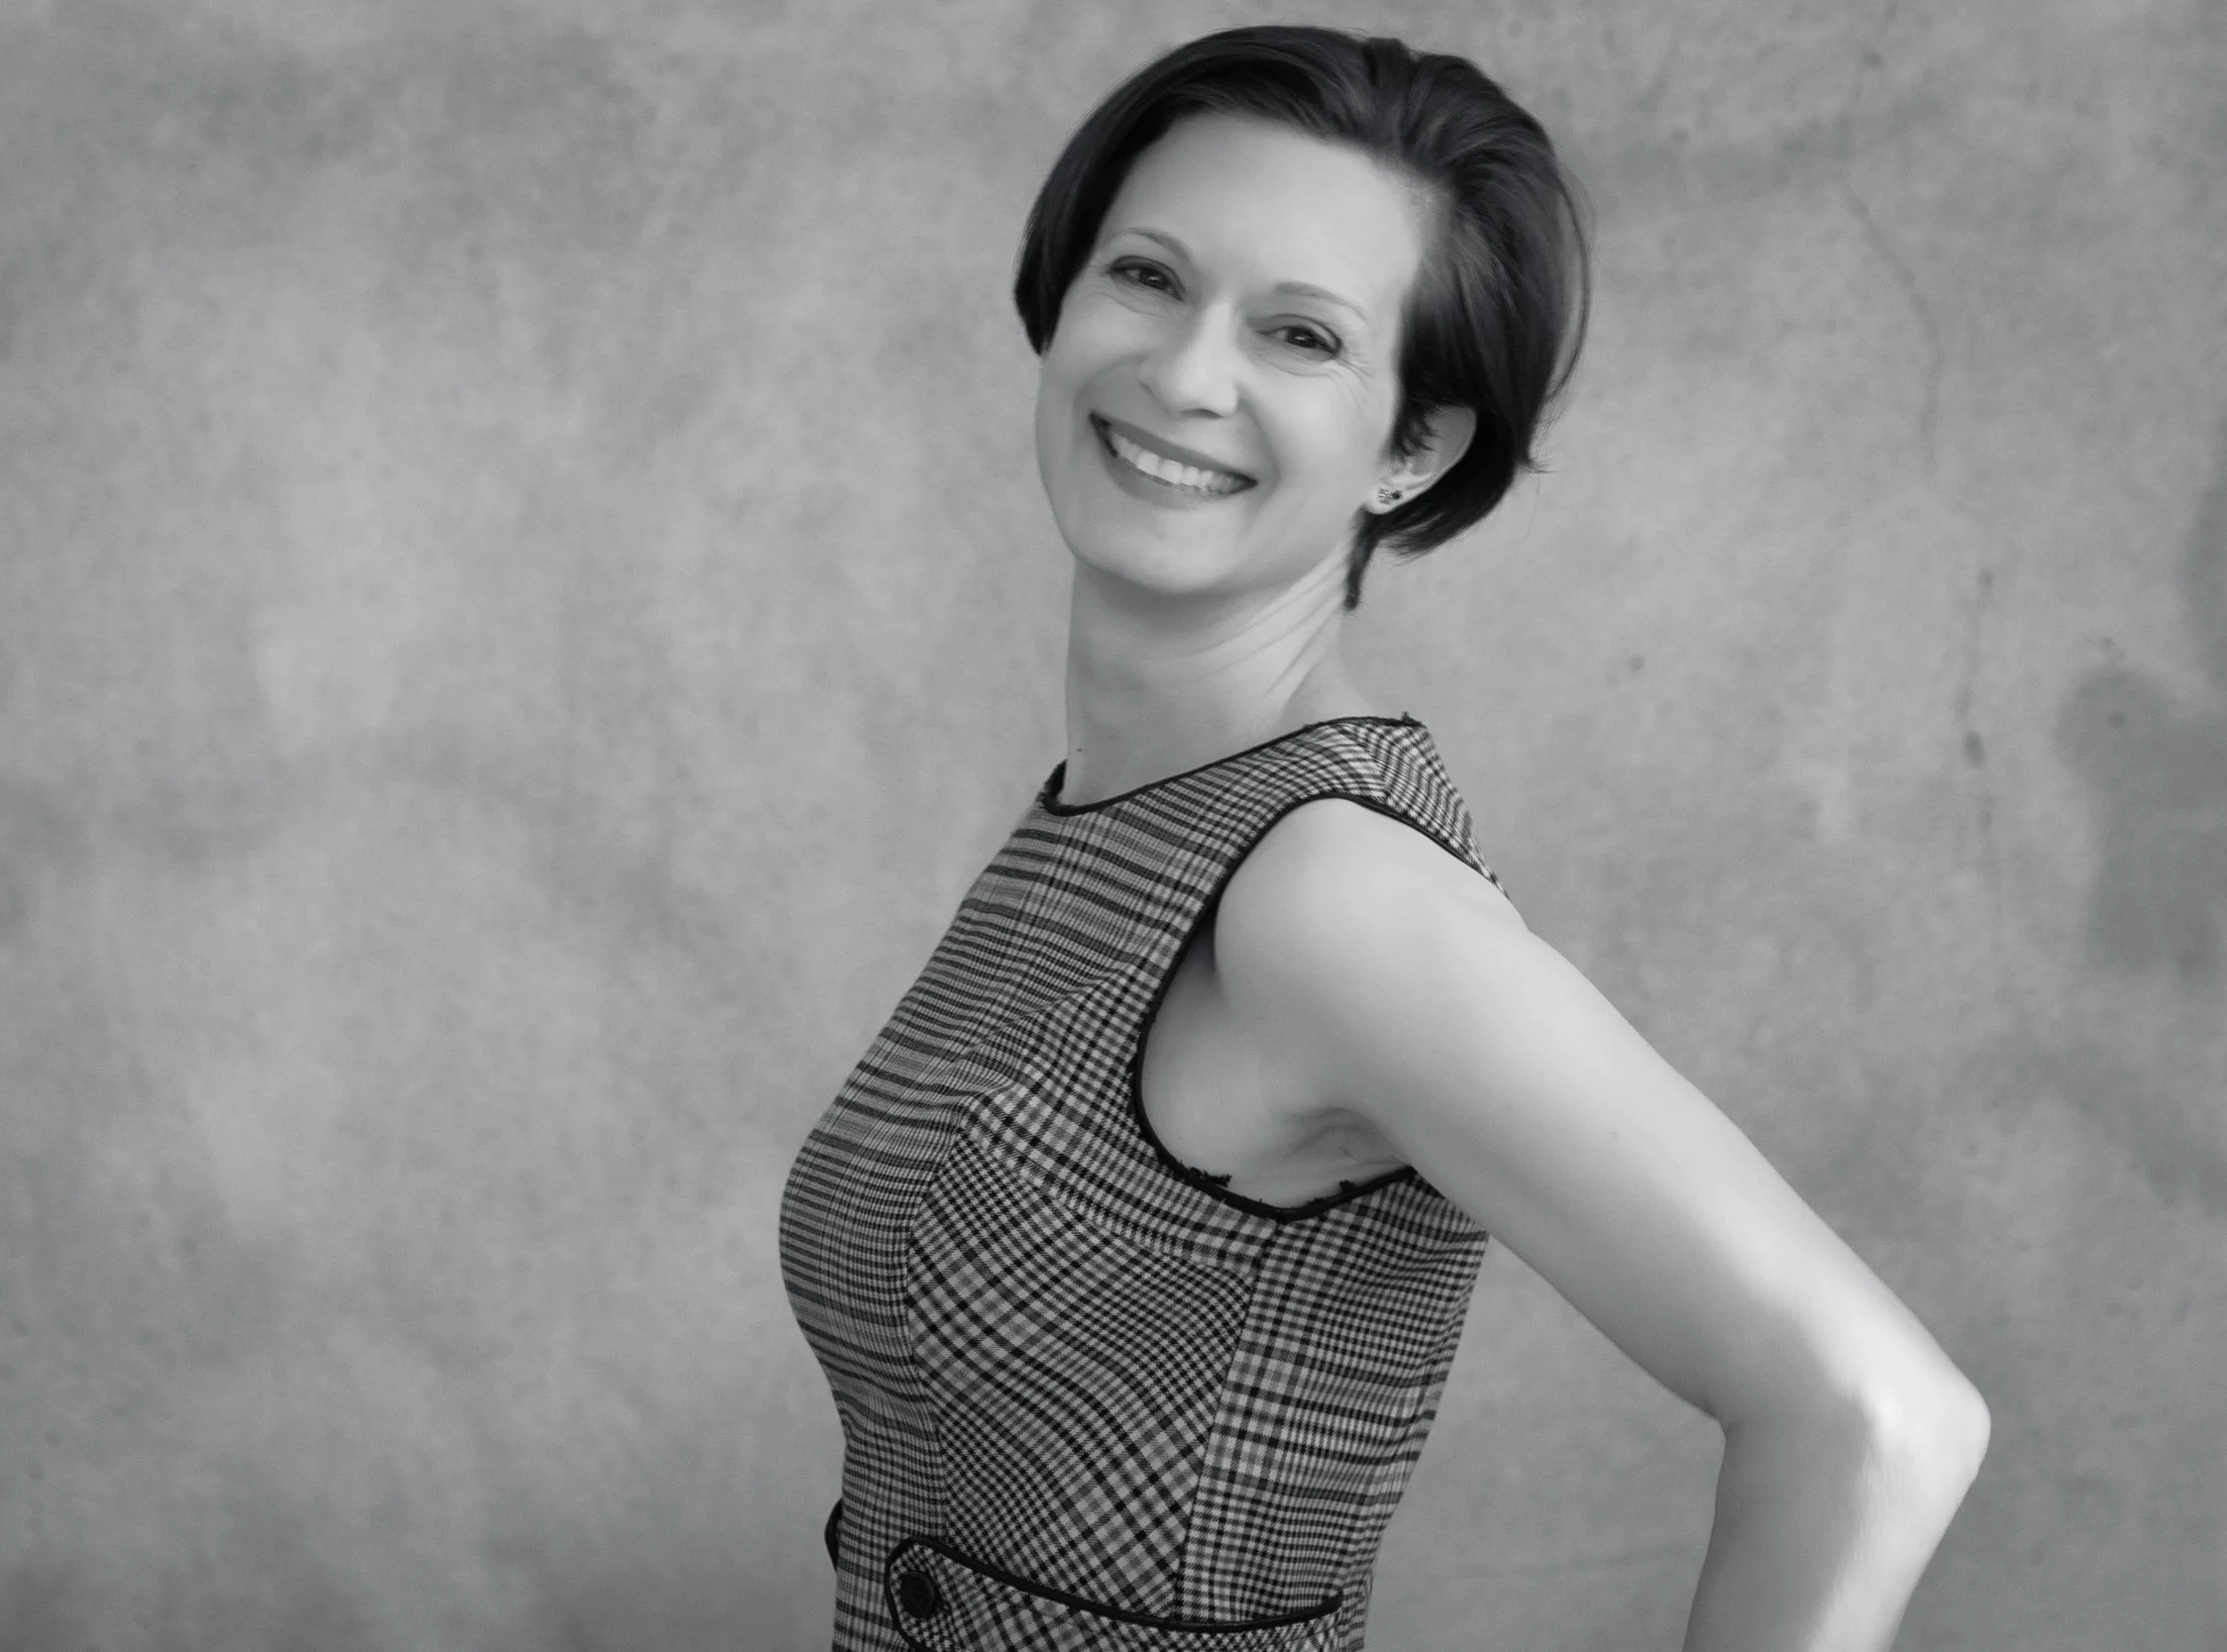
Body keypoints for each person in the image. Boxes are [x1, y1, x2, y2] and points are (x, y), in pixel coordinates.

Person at [779, 25, 1988, 1652]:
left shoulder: (1329, 894)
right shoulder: (1120, 817)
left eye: (1300, 334)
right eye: (1147, 276)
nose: (1186, 374)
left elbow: (1878, 1417)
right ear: (1061, 303)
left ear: (1412, 448)